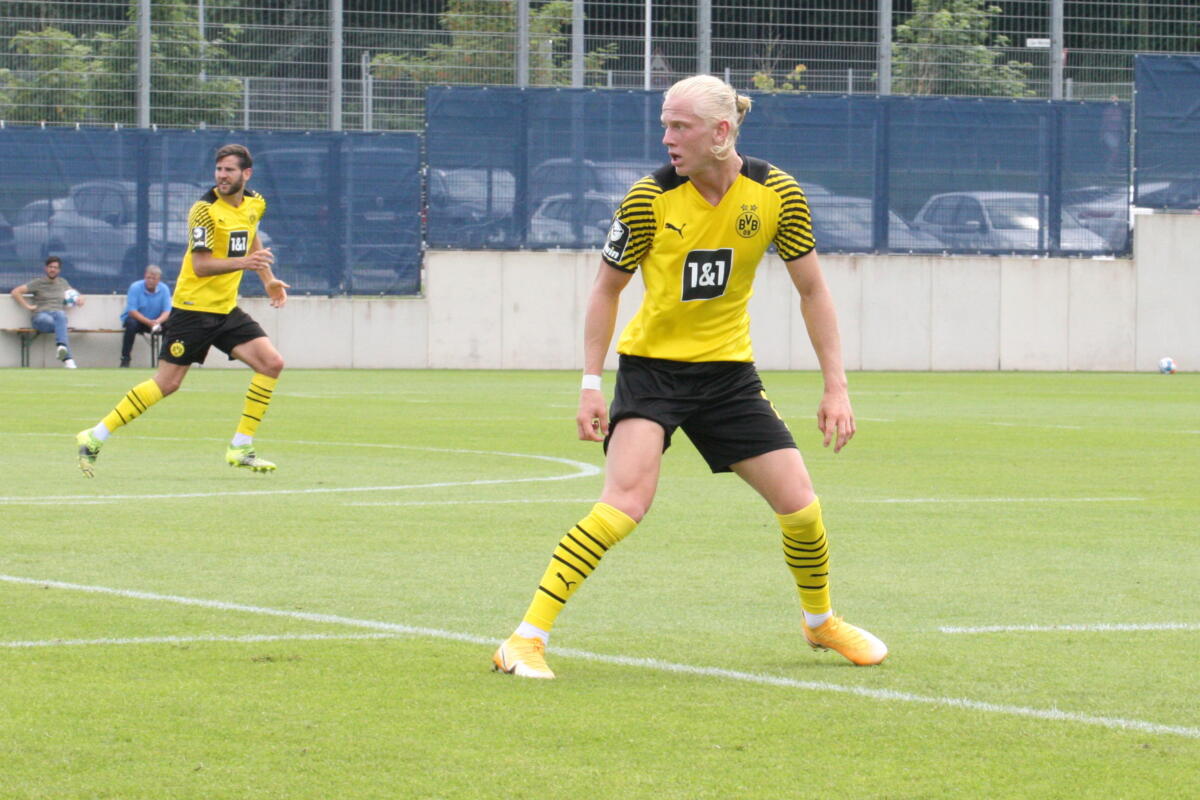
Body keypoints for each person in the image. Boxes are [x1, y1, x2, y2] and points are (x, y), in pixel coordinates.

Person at [492, 75, 887, 679]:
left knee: (801, 506)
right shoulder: (649, 198)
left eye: (680, 126)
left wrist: (837, 386)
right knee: (624, 505)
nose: (666, 138)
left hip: (728, 376)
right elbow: (605, 291)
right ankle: (524, 638)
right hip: (653, 375)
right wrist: (591, 383)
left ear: (722, 133)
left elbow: (813, 290)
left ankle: (820, 623)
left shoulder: (777, 193)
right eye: (664, 124)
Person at [75, 143, 289, 478]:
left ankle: (241, 446)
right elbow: (202, 266)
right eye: (219, 169)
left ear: (246, 174)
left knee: (272, 363)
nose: (221, 176)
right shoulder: (203, 211)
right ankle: (95, 435)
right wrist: (246, 263)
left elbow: (252, 239)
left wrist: (269, 280)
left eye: (229, 170)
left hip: (225, 310)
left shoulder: (255, 203)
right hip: (192, 310)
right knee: (168, 383)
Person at [9, 255, 83, 369]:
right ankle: (67, 358)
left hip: (58, 316)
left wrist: (80, 299)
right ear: (46, 268)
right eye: (50, 267)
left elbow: (73, 293)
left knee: (61, 315)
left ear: (59, 270)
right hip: (41, 316)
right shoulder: (38, 283)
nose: (52, 269)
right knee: (59, 322)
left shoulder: (63, 282)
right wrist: (28, 306)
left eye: (55, 267)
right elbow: (15, 292)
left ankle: (62, 349)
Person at [119, 264, 172, 367]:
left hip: (156, 322)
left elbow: (167, 311)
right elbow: (132, 311)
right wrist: (149, 322)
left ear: (158, 280)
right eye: (148, 278)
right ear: (145, 277)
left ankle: (165, 359)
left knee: (171, 325)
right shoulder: (135, 287)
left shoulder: (164, 289)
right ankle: (125, 359)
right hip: (139, 322)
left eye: (154, 278)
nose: (150, 280)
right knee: (131, 323)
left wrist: (157, 321)